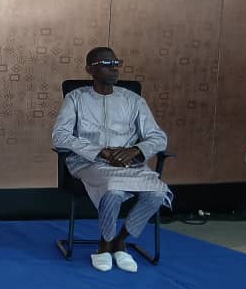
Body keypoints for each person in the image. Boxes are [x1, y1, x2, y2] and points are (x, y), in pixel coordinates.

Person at [51, 47, 171, 273]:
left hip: (129, 164)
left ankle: (118, 241)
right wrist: (101, 152)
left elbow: (158, 138)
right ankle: (104, 244)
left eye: (116, 63)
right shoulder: (75, 98)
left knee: (158, 193)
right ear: (90, 70)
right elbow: (60, 136)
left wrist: (135, 150)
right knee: (113, 189)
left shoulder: (133, 100)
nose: (114, 69)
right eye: (107, 64)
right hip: (89, 162)